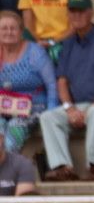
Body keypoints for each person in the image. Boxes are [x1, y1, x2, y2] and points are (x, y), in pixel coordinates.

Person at [37, 0, 94, 183]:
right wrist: (69, 108)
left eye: (81, 11)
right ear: (67, 15)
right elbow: (62, 82)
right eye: (73, 11)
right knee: (48, 117)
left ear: (91, 13)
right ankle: (63, 168)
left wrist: (92, 107)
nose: (77, 15)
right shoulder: (66, 45)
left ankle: (92, 168)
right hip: (80, 106)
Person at [0, 11, 56, 152]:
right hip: (3, 108)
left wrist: (51, 112)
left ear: (21, 31)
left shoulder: (34, 52)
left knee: (12, 134)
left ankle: (7, 171)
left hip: (33, 107)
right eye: (4, 28)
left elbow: (51, 84)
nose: (9, 32)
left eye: (13, 28)